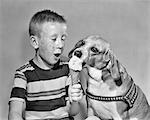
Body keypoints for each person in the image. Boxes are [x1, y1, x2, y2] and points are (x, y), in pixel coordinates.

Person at [8, 9, 83, 120]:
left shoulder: (68, 67)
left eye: (63, 38)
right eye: (54, 39)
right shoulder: (23, 74)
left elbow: (73, 112)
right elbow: (14, 113)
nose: (60, 44)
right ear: (35, 42)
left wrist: (75, 101)